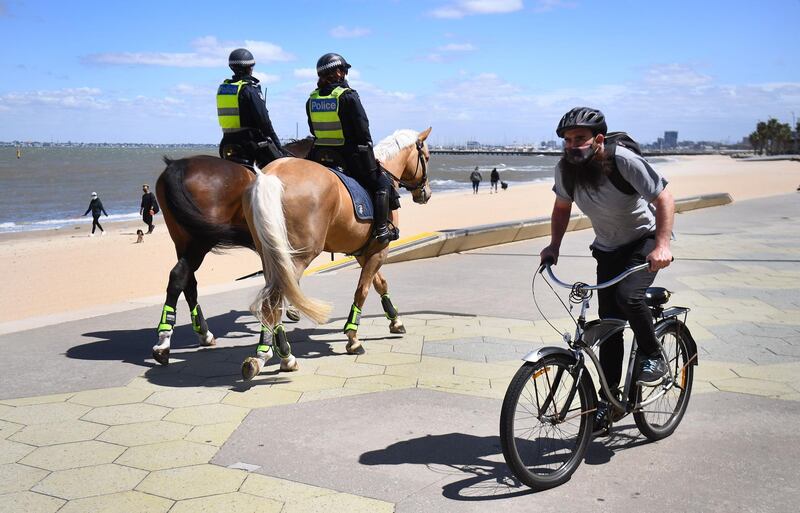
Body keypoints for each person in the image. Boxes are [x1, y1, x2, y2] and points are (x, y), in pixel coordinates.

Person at [539, 107, 675, 432]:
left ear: (598, 139)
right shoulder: (566, 170)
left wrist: (662, 244)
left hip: (644, 242)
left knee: (630, 298)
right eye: (568, 140)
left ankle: (653, 355)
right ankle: (609, 402)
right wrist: (553, 247)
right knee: (610, 327)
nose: (572, 145)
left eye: (580, 139)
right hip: (608, 248)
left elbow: (664, 197)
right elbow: (561, 209)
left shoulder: (622, 161)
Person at [306, 52, 398, 244]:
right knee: (382, 183)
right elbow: (363, 132)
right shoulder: (348, 96)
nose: (345, 74)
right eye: (344, 70)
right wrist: (371, 158)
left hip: (319, 155)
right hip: (348, 156)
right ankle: (381, 229)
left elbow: (313, 129)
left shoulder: (312, 99)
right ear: (338, 73)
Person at [217, 48, 284, 167]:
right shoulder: (249, 89)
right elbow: (264, 122)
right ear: (249, 68)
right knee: (280, 167)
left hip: (226, 143)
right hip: (249, 144)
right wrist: (278, 146)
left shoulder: (223, 89)